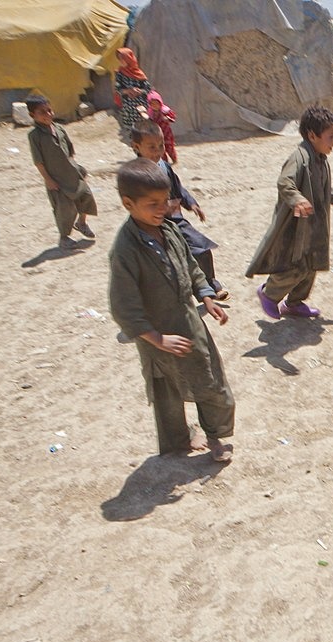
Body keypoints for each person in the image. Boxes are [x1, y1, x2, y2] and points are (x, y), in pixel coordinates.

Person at [108, 158, 235, 462]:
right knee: (166, 390)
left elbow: (191, 267)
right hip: (155, 336)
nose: (162, 208)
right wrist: (156, 338)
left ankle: (215, 436)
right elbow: (123, 306)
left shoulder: (169, 230)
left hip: (188, 322)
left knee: (208, 378)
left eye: (164, 201)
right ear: (128, 203)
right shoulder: (125, 250)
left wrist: (206, 297)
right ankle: (178, 441)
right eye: (152, 203)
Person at [247, 107, 333, 319]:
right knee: (294, 265)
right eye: (331, 136)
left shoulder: (320, 159)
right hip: (295, 227)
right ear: (312, 135)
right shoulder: (299, 159)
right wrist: (297, 199)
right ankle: (269, 294)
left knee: (311, 265)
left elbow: (326, 192)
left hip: (314, 227)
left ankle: (294, 303)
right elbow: (285, 182)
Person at [131, 121, 228, 300]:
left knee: (202, 249)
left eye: (161, 145)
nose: (158, 151)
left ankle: (211, 286)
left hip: (175, 220)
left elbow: (178, 189)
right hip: (152, 226)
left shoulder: (164, 166)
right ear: (136, 147)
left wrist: (191, 204)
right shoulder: (136, 175)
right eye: (151, 147)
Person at [26, 95, 97, 249]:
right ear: (33, 115)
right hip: (56, 179)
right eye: (42, 112)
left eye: (49, 110)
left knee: (86, 197)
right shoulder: (34, 136)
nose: (48, 114)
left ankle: (82, 223)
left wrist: (77, 168)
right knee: (65, 209)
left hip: (72, 173)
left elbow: (70, 151)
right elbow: (38, 161)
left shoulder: (59, 128)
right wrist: (48, 180)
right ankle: (64, 237)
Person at [114, 47, 152, 138]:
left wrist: (139, 91)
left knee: (143, 123)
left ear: (128, 59)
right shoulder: (120, 73)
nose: (121, 61)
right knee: (132, 129)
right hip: (128, 103)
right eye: (119, 59)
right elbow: (117, 89)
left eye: (122, 59)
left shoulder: (139, 73)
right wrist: (128, 91)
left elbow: (148, 88)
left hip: (140, 103)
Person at [145, 90, 177, 164]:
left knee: (170, 148)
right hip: (157, 135)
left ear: (160, 102)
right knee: (160, 149)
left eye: (156, 103)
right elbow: (149, 121)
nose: (155, 105)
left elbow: (173, 117)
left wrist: (167, 118)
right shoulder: (150, 113)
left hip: (166, 133)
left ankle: (174, 160)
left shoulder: (165, 110)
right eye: (152, 104)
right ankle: (165, 163)